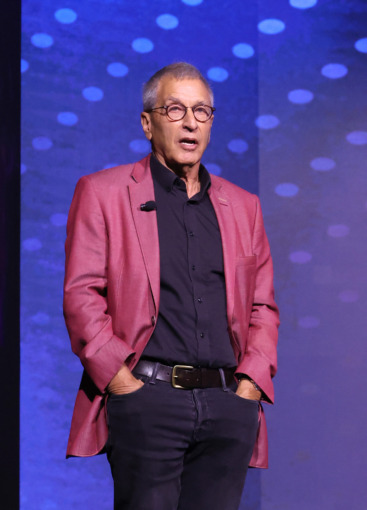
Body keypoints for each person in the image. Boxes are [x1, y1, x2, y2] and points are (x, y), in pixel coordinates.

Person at [63, 62, 279, 510]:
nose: (190, 122)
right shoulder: (103, 193)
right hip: (147, 401)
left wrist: (249, 388)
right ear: (148, 123)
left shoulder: (243, 206)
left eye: (202, 111)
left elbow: (262, 307)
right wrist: (123, 384)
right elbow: (81, 296)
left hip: (227, 404)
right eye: (175, 109)